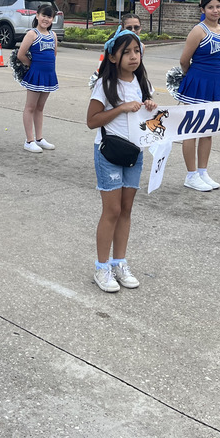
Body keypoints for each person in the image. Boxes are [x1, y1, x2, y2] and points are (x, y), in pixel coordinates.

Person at [87, 27, 156, 293]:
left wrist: (150, 107)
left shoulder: (143, 85)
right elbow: (91, 121)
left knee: (126, 210)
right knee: (112, 210)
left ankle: (119, 262)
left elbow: (148, 122)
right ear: (113, 57)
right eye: (126, 52)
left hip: (134, 154)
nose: (133, 56)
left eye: (136, 51)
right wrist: (121, 108)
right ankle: (102, 267)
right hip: (109, 153)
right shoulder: (105, 85)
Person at [177, 0, 220, 192]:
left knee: (208, 130)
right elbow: (184, 60)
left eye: (218, 6)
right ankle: (191, 175)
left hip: (216, 83)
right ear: (203, 10)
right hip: (197, 82)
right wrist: (192, 77)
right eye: (210, 7)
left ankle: (202, 171)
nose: (215, 10)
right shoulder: (198, 31)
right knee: (191, 130)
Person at [17, 3, 59, 153]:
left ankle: (39, 138)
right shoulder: (32, 34)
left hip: (48, 76)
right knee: (30, 107)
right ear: (37, 16)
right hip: (35, 75)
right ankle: (29, 140)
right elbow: (20, 54)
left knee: (40, 108)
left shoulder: (53, 35)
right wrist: (31, 65)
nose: (46, 19)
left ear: (53, 19)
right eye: (44, 15)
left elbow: (54, 54)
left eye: (49, 16)